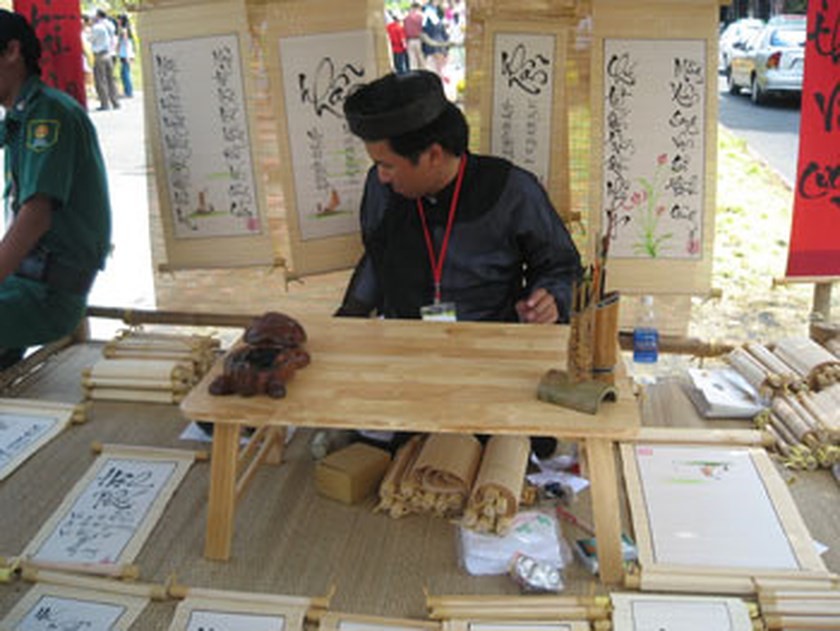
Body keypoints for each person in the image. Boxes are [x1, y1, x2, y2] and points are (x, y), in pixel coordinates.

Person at [335, 70, 582, 456]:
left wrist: (552, 297)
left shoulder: (511, 190)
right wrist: (349, 317)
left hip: (491, 356)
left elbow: (562, 265)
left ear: (433, 155)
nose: (380, 177)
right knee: (391, 446)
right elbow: (377, 259)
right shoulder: (381, 190)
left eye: (388, 165)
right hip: (407, 354)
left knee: (506, 450)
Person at [0, 9, 112, 369]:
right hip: (28, 281)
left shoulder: (47, 114)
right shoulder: (22, 114)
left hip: (49, 294)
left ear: (11, 52)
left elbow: (35, 216)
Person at [90, 9, 119, 110]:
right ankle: (115, 101)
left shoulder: (96, 27)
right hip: (109, 53)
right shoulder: (110, 25)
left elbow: (91, 39)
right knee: (111, 79)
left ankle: (105, 103)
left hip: (99, 54)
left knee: (100, 80)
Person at [116, 13, 135, 98]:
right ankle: (128, 90)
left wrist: (127, 55)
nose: (117, 21)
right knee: (125, 72)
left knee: (125, 73)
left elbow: (126, 43)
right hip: (126, 54)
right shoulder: (127, 29)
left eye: (119, 19)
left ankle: (128, 91)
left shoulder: (124, 30)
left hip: (125, 54)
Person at [403, 3, 424, 71]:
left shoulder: (406, 18)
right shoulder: (420, 17)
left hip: (409, 40)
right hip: (418, 40)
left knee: (412, 60)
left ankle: (414, 76)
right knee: (420, 59)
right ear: (417, 8)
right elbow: (422, 28)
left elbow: (404, 30)